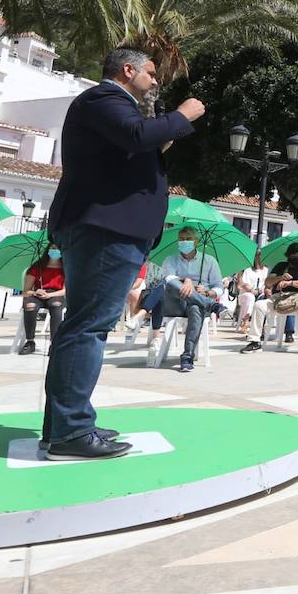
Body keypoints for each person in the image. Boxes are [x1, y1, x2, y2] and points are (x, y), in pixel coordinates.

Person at [42, 47, 203, 459]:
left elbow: (132, 148)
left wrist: (159, 140)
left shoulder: (113, 108)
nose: (155, 80)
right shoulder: (105, 98)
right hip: (104, 230)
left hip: (108, 230)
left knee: (84, 325)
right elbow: (135, 136)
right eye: (151, 73)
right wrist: (184, 114)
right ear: (128, 70)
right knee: (89, 327)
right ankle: (70, 433)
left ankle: (67, 424)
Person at [149, 225, 225, 372]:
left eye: (188, 239)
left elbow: (219, 287)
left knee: (196, 307)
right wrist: (187, 280)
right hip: (175, 303)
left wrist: (209, 293)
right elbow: (169, 278)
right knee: (171, 283)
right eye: (181, 239)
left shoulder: (209, 261)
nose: (184, 242)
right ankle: (211, 305)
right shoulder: (170, 260)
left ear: (196, 241)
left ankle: (187, 356)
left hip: (198, 303)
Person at [241, 243, 298, 354]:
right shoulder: (281, 266)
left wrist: (290, 283)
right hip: (278, 297)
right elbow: (268, 282)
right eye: (295, 254)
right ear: (289, 255)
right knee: (259, 305)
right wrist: (281, 277)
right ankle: (254, 341)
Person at [19, 244, 67, 355]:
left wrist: (50, 295)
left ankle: (54, 343)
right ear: (48, 250)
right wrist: (36, 292)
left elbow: (65, 290)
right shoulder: (37, 267)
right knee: (29, 306)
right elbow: (26, 291)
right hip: (38, 294)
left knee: (56, 305)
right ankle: (30, 342)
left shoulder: (66, 268)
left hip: (56, 294)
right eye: (53, 248)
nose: (56, 251)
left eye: (58, 248)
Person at [235, 255, 268, 337]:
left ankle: (262, 326)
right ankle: (245, 321)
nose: (260, 258)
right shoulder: (248, 270)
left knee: (264, 299)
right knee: (250, 297)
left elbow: (266, 284)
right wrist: (252, 290)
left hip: (260, 293)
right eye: (258, 257)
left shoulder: (265, 270)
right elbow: (243, 284)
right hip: (246, 294)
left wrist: (261, 291)